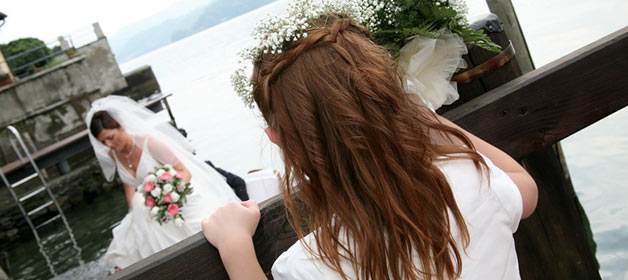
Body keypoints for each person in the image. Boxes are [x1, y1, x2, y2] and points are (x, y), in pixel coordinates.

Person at [202, 13, 538, 280]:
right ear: (390, 96)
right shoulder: (472, 180)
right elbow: (524, 188)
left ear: (277, 138)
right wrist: (419, 115)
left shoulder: (309, 265)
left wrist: (236, 248)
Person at [86, 95, 240, 269]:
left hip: (175, 194)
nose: (109, 145)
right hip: (147, 206)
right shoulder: (113, 154)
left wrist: (169, 195)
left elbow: (184, 171)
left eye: (111, 137)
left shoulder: (149, 143)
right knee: (130, 239)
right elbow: (129, 188)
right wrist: (134, 212)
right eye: (103, 142)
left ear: (120, 127)